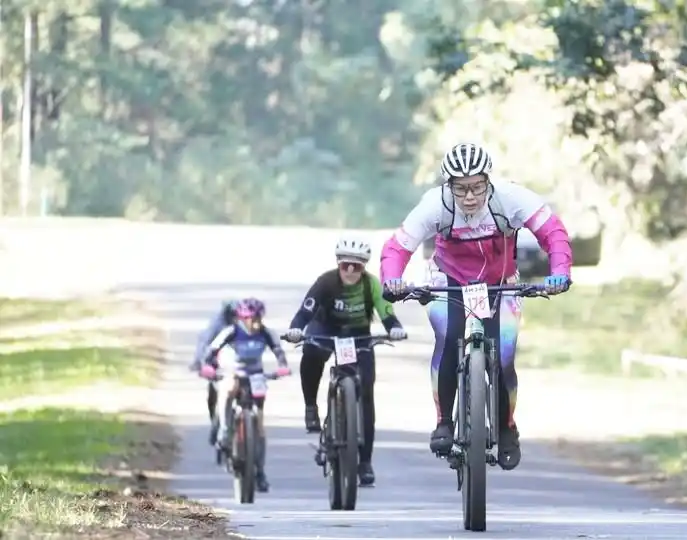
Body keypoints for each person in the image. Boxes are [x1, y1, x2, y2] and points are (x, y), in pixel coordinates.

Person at [379, 142, 572, 471]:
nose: (469, 196)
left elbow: (553, 233)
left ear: (488, 181)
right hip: (448, 279)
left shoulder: (511, 198)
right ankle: (444, 422)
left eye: (477, 187)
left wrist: (560, 272)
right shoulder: (435, 204)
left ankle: (507, 428)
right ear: (448, 185)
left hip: (500, 281)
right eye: (460, 189)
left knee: (504, 355)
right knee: (449, 336)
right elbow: (397, 247)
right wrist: (392, 280)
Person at [282, 236, 408, 487]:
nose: (350, 271)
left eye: (357, 266)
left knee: (367, 394)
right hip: (325, 330)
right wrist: (295, 329)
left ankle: (365, 462)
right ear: (338, 264)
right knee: (311, 353)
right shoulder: (325, 282)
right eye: (345, 265)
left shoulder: (372, 285)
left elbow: (386, 312)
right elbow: (305, 312)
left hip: (358, 336)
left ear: (364, 268)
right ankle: (310, 407)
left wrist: (395, 328)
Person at [198, 298, 291, 493]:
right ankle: (224, 430)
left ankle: (260, 471)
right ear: (242, 319)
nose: (255, 323)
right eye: (251, 319)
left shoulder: (266, 333)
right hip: (235, 372)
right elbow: (212, 350)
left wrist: (282, 367)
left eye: (258, 318)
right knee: (228, 387)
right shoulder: (231, 332)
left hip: (256, 376)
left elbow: (278, 350)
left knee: (260, 426)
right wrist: (207, 366)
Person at [190, 299, 240, 438]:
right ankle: (215, 421)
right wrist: (200, 363)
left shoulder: (245, 325)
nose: (236, 318)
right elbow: (204, 343)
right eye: (233, 315)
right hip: (218, 359)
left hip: (238, 360)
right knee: (214, 388)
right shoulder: (217, 324)